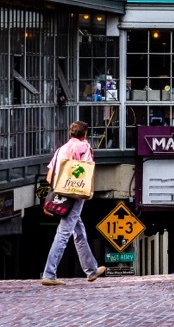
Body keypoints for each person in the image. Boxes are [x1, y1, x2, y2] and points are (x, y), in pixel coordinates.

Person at [42, 121, 106, 285]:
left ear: (70, 133)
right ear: (84, 134)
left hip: (60, 191)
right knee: (64, 233)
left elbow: (49, 176)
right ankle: (49, 274)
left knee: (79, 231)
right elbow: (88, 171)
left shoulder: (60, 149)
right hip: (75, 194)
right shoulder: (85, 147)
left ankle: (91, 269)